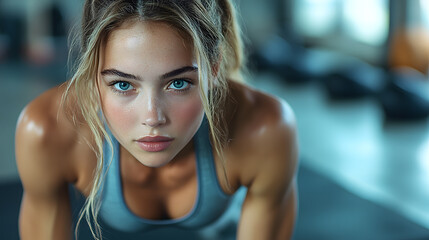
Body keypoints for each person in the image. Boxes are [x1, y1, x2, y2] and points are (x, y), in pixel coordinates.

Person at [15, 0, 298, 239]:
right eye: (123, 85)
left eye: (178, 83)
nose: (153, 118)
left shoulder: (266, 128)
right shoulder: (47, 130)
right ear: (92, 72)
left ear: (213, 69)